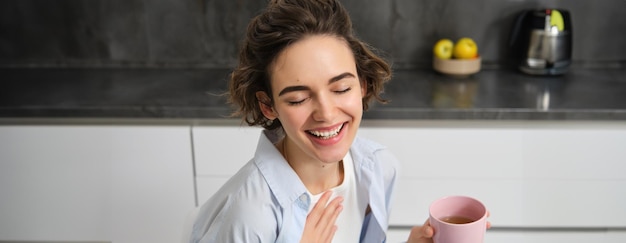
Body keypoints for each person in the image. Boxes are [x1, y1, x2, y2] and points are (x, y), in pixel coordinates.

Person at [190, 0, 470, 242]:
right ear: (268, 106)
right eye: (298, 98)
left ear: (362, 85)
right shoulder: (250, 215)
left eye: (341, 89)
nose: (326, 113)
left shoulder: (377, 170)